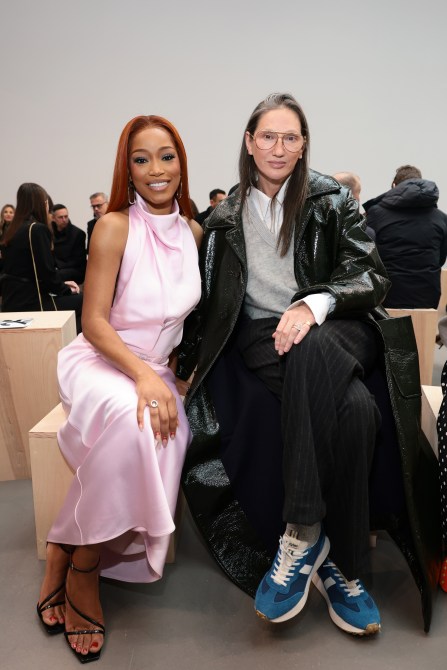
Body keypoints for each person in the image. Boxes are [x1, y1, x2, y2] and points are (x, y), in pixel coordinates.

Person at [177, 93, 441, 635]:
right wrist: (181, 364)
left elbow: (372, 276)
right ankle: (346, 566)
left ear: (303, 146)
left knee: (312, 347)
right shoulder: (223, 221)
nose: (279, 147)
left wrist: (315, 303)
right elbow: (207, 305)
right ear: (249, 143)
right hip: (263, 334)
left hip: (340, 323)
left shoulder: (332, 199)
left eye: (290, 137)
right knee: (357, 410)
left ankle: (300, 533)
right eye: (268, 136)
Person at [36, 115, 202, 662]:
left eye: (166, 156)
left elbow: (182, 323)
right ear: (127, 170)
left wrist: (170, 372)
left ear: (181, 163)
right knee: (137, 425)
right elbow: (94, 322)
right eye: (141, 159)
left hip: (155, 370)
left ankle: (64, 543)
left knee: (167, 429)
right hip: (102, 360)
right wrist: (145, 376)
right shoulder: (113, 226)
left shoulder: (195, 234)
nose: (156, 169)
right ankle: (85, 567)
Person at [363, 165, 447, 308]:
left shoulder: (375, 214)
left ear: (394, 186)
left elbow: (367, 253)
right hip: (428, 295)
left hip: (387, 295)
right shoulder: (441, 218)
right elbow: (441, 258)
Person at [1, 184, 83, 331]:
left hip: (11, 301)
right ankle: (68, 344)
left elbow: (30, 272)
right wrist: (65, 289)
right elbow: (46, 273)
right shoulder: (37, 229)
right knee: (85, 301)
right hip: (33, 302)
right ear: (43, 204)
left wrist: (61, 284)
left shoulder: (12, 230)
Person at [51, 204, 87, 284]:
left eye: (66, 216)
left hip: (75, 270)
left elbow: (78, 261)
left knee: (53, 275)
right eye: (60, 217)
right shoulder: (50, 233)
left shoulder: (78, 234)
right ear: (53, 218)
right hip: (58, 269)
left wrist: (58, 266)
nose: (64, 220)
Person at [0, 203, 15, 275]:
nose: (8, 214)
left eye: (11, 212)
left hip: (11, 262)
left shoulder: (18, 229)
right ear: (2, 214)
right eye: (5, 212)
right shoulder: (0, 229)